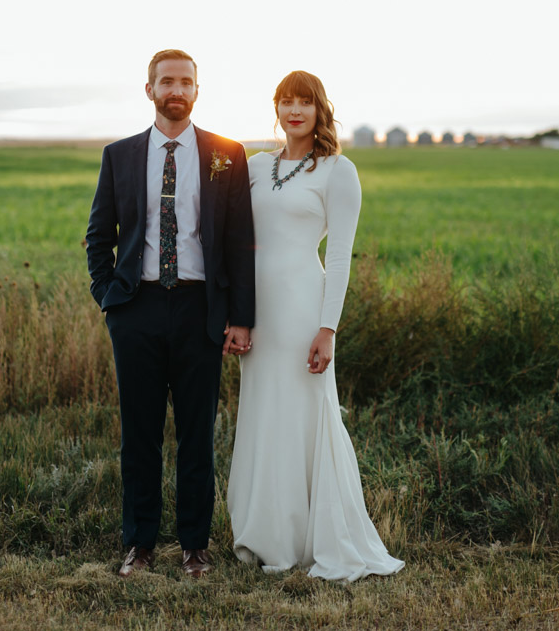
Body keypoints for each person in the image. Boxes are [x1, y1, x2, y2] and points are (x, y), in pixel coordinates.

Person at [226, 70, 404, 581]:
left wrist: (329, 328)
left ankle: (311, 538)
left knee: (306, 414)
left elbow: (342, 257)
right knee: (264, 412)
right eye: (286, 101)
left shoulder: (337, 171)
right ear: (276, 108)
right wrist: (235, 312)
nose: (294, 110)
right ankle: (267, 537)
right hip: (257, 310)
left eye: (304, 101)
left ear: (320, 108)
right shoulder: (256, 166)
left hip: (305, 305)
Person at [85, 49, 256, 579]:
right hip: (135, 309)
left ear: (198, 91)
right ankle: (138, 546)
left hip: (199, 308)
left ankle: (194, 547)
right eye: (166, 82)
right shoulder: (120, 155)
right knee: (139, 434)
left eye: (185, 82)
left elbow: (239, 240)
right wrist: (109, 298)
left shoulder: (227, 154)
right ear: (150, 90)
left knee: (197, 435)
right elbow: (100, 235)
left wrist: (241, 317)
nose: (176, 90)